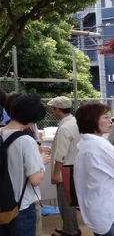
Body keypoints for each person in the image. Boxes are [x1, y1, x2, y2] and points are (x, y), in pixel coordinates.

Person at [0, 94, 49, 236]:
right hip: (21, 207)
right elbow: (35, 180)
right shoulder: (26, 140)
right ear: (33, 119)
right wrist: (41, 162)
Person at [74, 101, 114, 236]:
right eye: (105, 117)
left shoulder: (86, 143)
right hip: (106, 212)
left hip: (96, 209)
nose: (110, 120)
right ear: (92, 120)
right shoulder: (101, 147)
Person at [47, 96, 80, 236]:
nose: (52, 111)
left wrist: (56, 173)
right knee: (70, 201)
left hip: (64, 171)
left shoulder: (65, 127)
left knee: (65, 203)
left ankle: (70, 231)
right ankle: (71, 228)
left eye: (53, 108)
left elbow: (61, 154)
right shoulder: (74, 122)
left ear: (57, 110)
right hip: (73, 168)